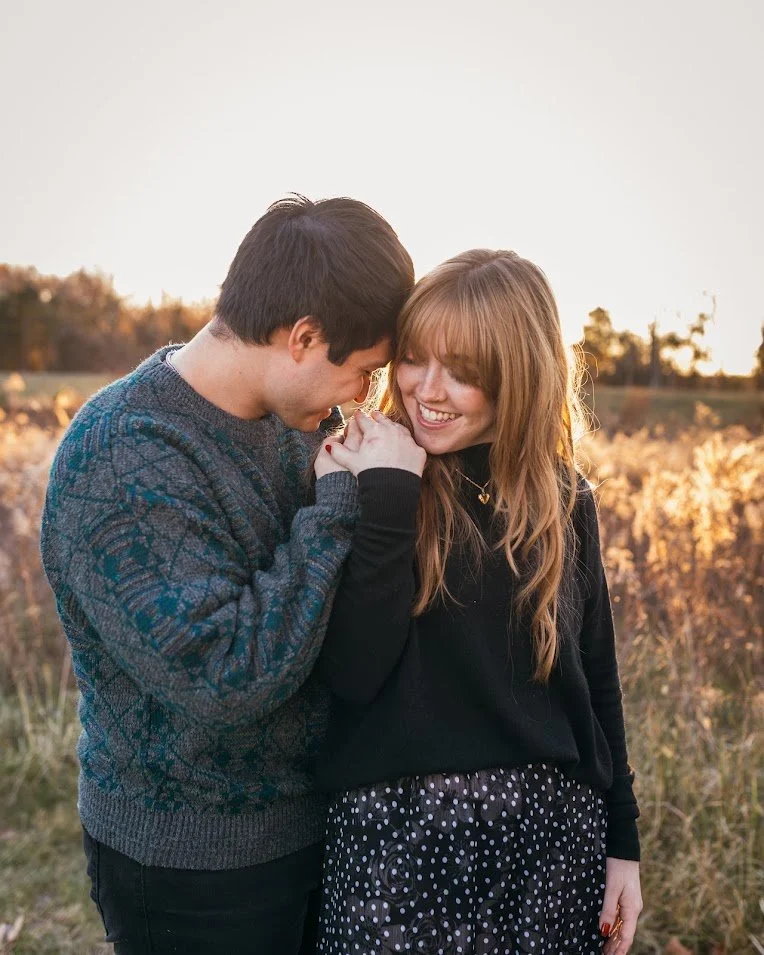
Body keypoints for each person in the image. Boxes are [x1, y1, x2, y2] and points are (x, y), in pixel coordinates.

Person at [39, 195, 414, 955]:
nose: (363, 400)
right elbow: (226, 677)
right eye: (364, 372)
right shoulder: (122, 454)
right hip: (192, 866)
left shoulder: (294, 421)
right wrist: (338, 505)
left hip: (311, 827)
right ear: (304, 337)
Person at [312, 249, 642, 954]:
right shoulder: (371, 470)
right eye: (415, 358)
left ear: (516, 376)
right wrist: (391, 494)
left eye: (463, 372)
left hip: (550, 849)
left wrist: (625, 845)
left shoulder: (562, 498)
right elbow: (353, 672)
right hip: (395, 847)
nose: (427, 388)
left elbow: (595, 680)